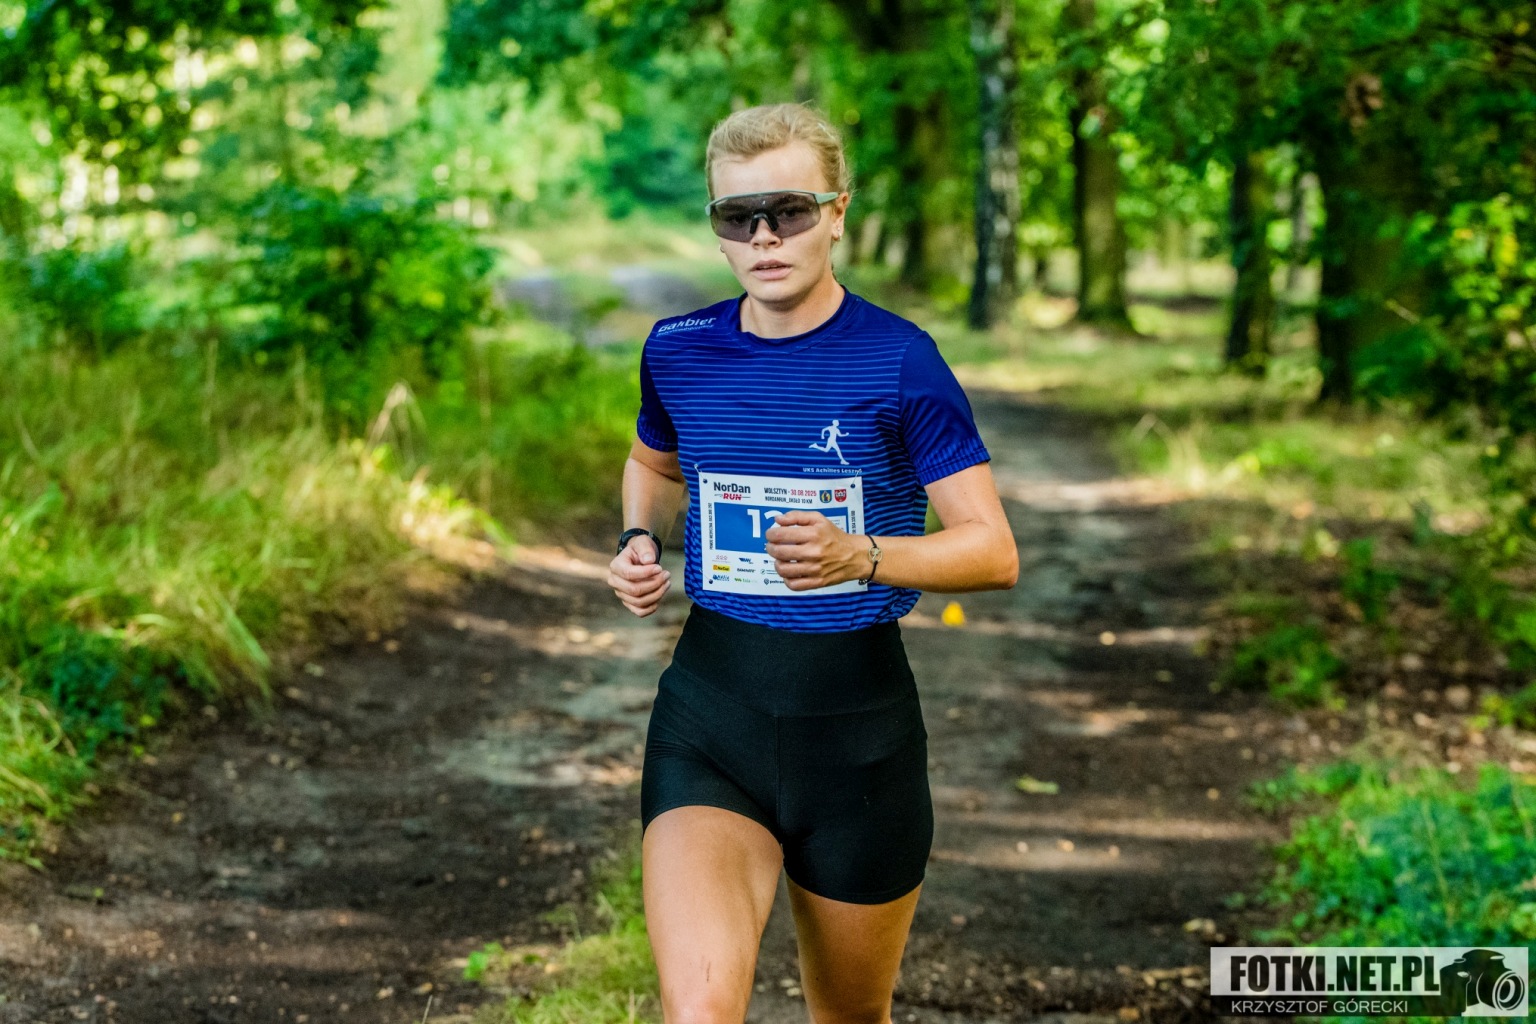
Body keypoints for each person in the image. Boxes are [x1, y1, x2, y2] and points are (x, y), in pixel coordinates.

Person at [606, 102, 1018, 1024]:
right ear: (716, 227)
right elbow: (652, 464)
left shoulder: (901, 359)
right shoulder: (678, 349)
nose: (763, 237)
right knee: (699, 1012)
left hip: (858, 738)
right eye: (737, 216)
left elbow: (993, 550)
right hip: (711, 718)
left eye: (788, 211)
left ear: (837, 212)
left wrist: (860, 555)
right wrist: (639, 540)